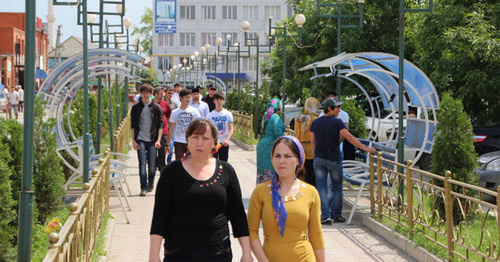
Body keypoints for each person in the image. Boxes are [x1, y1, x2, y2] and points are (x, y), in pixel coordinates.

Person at [150, 119, 252, 262]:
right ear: (187, 140)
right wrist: (153, 255)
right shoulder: (171, 172)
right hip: (178, 252)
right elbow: (160, 216)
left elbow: (238, 215)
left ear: (214, 142)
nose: (199, 143)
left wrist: (246, 252)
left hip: (218, 252)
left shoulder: (226, 171)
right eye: (195, 137)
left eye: (205, 138)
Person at [248, 136, 326, 262]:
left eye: (288, 156)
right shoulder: (260, 192)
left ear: (298, 160)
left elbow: (316, 235)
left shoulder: (311, 192)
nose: (281, 161)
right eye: (277, 156)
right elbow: (251, 232)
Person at [310, 97, 376, 224]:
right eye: (337, 108)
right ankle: (337, 215)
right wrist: (366, 149)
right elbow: (349, 137)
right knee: (337, 188)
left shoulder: (316, 122)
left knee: (322, 188)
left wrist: (315, 154)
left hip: (319, 160)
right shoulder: (337, 122)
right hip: (334, 159)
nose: (339, 110)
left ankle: (325, 216)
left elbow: (312, 141)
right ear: (329, 109)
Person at [130, 84, 164, 196]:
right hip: (140, 138)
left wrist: (159, 140)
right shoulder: (136, 108)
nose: (145, 95)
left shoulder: (156, 107)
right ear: (141, 94)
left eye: (147, 93)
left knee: (153, 165)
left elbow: (160, 125)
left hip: (153, 139)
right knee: (142, 163)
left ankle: (151, 183)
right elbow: (133, 125)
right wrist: (133, 141)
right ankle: (143, 187)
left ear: (151, 94)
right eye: (143, 93)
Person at [256, 98, 286, 184]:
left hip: (262, 144)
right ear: (278, 108)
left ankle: (261, 193)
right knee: (271, 171)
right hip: (270, 146)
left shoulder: (266, 116)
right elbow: (278, 132)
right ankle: (271, 193)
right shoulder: (275, 117)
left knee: (262, 171)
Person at [167, 89, 201, 160]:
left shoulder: (194, 111)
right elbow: (171, 128)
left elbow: (199, 126)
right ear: (181, 98)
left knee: (191, 161)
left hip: (191, 140)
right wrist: (168, 143)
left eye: (189, 97)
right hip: (178, 140)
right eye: (186, 97)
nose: (188, 99)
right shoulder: (174, 112)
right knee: (179, 162)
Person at [294, 97, 320, 187]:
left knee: (303, 173)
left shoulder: (298, 118)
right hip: (312, 149)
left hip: (300, 148)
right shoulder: (315, 119)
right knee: (312, 175)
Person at [206, 91, 234, 162]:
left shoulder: (228, 114)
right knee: (213, 163)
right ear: (214, 101)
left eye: (221, 99)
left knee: (224, 163)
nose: (219, 101)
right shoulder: (210, 115)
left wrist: (227, 140)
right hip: (214, 143)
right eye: (217, 99)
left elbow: (231, 128)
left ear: (223, 101)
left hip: (224, 143)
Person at [153, 87, 171, 173]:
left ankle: (162, 168)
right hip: (152, 131)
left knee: (162, 151)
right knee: (152, 151)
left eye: (163, 94)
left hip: (163, 131)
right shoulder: (150, 103)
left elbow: (168, 116)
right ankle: (153, 164)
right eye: (161, 94)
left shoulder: (165, 104)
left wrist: (170, 127)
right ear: (155, 94)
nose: (162, 95)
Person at [164, 86, 177, 163]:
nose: (170, 95)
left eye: (172, 93)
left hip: (172, 126)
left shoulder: (174, 104)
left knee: (171, 144)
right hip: (163, 126)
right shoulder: (161, 103)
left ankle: (169, 160)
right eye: (169, 93)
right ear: (165, 93)